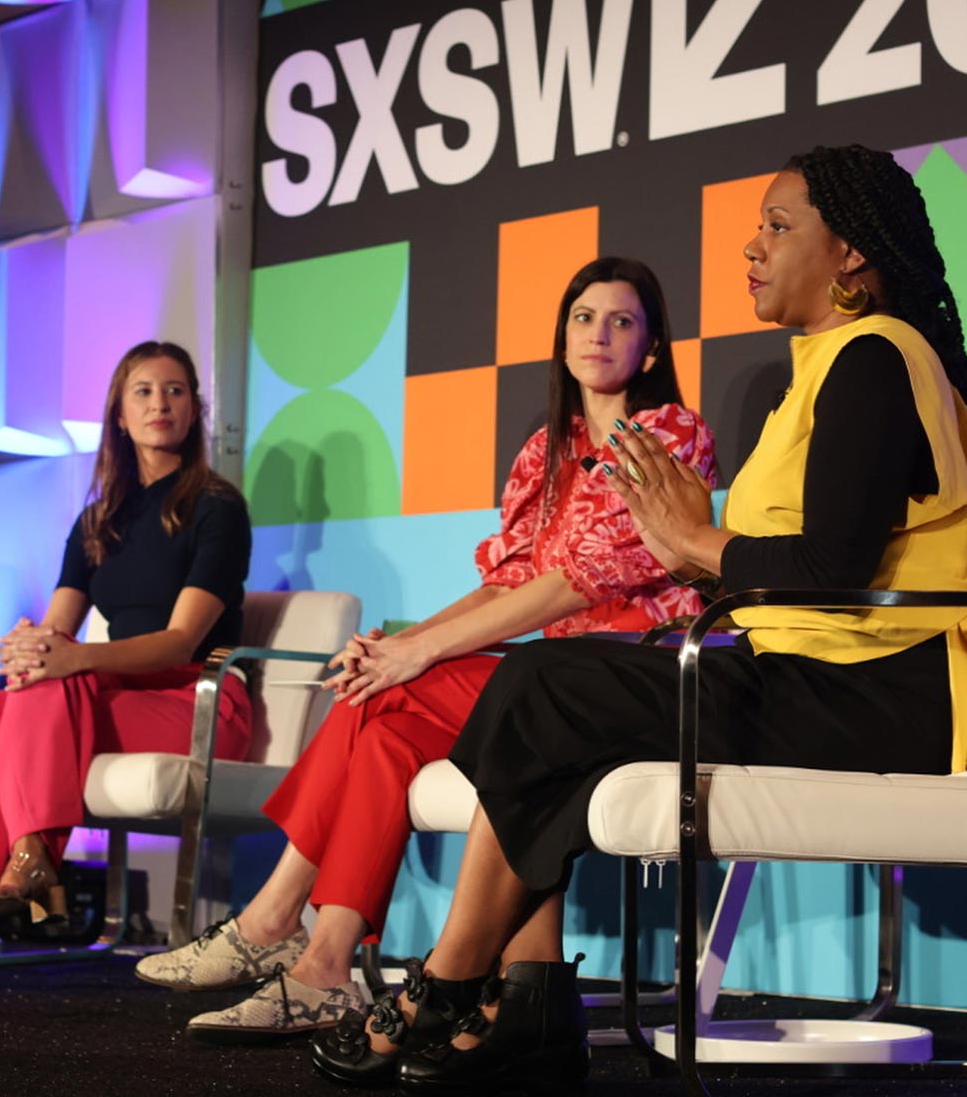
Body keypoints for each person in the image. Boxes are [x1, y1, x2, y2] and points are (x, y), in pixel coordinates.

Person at [314, 143, 967, 1093]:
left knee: (545, 681)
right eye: (756, 227)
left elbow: (833, 567)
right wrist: (696, 548)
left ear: (852, 255)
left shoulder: (874, 358)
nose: (751, 248)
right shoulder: (828, 362)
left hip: (879, 692)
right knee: (550, 691)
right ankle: (527, 1002)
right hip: (816, 668)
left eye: (779, 228)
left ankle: (455, 984)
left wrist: (694, 542)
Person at [137, 258, 717, 1041]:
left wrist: (416, 657)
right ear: (561, 335)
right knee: (381, 723)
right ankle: (323, 970)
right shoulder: (544, 450)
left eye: (622, 321)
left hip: (628, 678)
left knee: (392, 689)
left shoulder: (671, 434)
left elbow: (573, 585)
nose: (599, 334)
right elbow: (504, 583)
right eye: (584, 316)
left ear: (651, 350)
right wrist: (403, 644)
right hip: (552, 682)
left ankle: (273, 921)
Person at [0, 340, 253, 987]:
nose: (161, 402)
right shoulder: (97, 520)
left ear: (194, 413)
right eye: (144, 391)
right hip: (107, 695)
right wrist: (31, 646)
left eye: (176, 390)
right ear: (119, 417)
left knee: (40, 689)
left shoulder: (217, 508)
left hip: (199, 699)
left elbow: (181, 642)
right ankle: (13, 873)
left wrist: (69, 658)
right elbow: (58, 629)